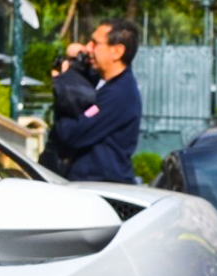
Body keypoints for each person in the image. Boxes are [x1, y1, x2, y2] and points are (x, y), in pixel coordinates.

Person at [44, 19, 143, 184]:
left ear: (117, 52)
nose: (88, 48)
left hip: (102, 190)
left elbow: (72, 134)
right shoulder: (102, 81)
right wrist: (75, 57)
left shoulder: (120, 95)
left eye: (95, 43)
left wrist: (63, 90)